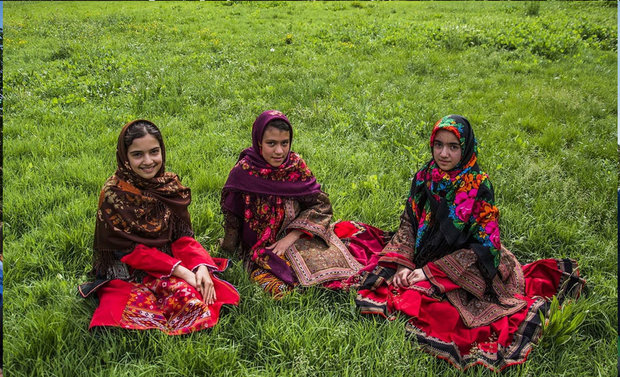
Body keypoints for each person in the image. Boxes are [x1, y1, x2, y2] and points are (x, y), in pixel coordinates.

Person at [355, 115, 585, 371]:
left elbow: (486, 246)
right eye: (438, 144)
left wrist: (431, 273)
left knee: (444, 315)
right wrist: (403, 264)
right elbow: (410, 220)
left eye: (453, 146)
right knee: (387, 284)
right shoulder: (425, 176)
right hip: (426, 251)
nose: (444, 153)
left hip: (468, 260)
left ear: (465, 148)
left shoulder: (477, 185)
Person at [79, 120, 239, 335]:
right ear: (124, 157)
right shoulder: (114, 193)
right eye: (137, 155)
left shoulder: (168, 185)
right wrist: (182, 271)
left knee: (193, 296)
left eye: (154, 152)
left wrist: (200, 266)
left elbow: (182, 235)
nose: (148, 161)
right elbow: (124, 250)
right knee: (170, 296)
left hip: (168, 258)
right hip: (130, 266)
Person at [220, 110, 389, 299]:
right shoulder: (244, 172)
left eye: (285, 143)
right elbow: (233, 215)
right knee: (278, 288)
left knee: (338, 265)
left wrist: (292, 236)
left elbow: (321, 206)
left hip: (297, 235)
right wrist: (228, 247)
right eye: (271, 144)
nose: (279, 151)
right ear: (259, 142)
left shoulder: (295, 166)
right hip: (262, 246)